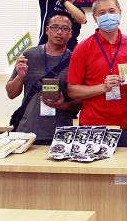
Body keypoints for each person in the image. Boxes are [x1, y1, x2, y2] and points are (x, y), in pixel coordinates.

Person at [67, 0, 127, 147]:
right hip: (92, 127)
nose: (108, 16)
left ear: (120, 13)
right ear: (95, 18)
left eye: (112, 11)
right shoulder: (82, 48)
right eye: (102, 13)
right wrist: (103, 88)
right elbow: (72, 91)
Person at [6, 13, 80, 144]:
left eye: (65, 28)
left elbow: (80, 102)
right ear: (47, 30)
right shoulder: (29, 55)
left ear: (70, 34)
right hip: (27, 132)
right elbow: (11, 93)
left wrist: (63, 105)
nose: (59, 32)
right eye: (55, 27)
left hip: (61, 134)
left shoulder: (75, 60)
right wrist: (20, 76)